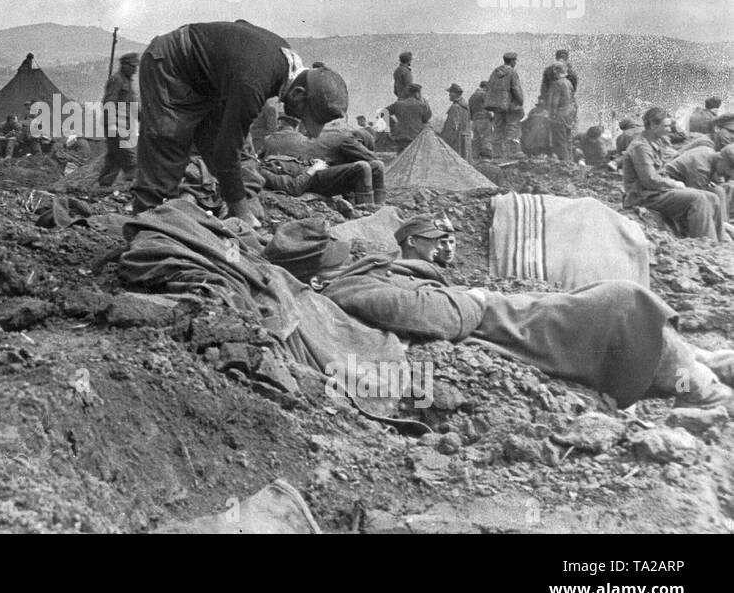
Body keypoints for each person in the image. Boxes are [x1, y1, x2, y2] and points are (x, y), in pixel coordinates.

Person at [303, 215, 734, 412]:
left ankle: (710, 376)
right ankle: (710, 380)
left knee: (698, 378)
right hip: (548, 317)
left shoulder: (362, 280)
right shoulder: (359, 284)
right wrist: (470, 297)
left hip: (554, 317)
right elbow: (431, 312)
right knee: (657, 333)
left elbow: (433, 310)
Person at [132, 20, 335, 228]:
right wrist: (242, 212)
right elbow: (225, 153)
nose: (304, 126)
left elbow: (241, 26)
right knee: (168, 144)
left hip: (207, 82)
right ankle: (145, 224)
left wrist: (244, 198)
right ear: (297, 94)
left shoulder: (283, 60)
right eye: (305, 116)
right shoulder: (254, 84)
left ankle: (233, 208)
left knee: (223, 143)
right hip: (172, 64)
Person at [624, 107, 724, 241]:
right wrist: (673, 183)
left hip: (657, 190)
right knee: (697, 199)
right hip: (644, 195)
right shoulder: (641, 147)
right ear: (653, 125)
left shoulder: (657, 141)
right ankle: (706, 244)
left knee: (713, 198)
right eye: (665, 125)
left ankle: (721, 242)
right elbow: (649, 180)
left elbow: (662, 168)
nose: (669, 129)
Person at [259, 116, 386, 206]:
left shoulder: (270, 156)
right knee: (363, 167)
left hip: (318, 171)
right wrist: (312, 169)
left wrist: (312, 164)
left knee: (376, 166)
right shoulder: (263, 171)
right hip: (314, 178)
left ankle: (380, 208)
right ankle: (368, 212)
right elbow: (294, 187)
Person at [98, 52, 139, 187]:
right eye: (132, 66)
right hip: (115, 125)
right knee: (126, 154)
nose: (135, 69)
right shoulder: (117, 80)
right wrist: (111, 124)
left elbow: (130, 104)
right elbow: (109, 101)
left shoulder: (126, 81)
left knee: (114, 157)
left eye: (135, 66)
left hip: (123, 123)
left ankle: (104, 185)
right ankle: (134, 182)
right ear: (124, 65)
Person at [483, 52, 524, 159]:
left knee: (498, 128)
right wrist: (520, 101)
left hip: (497, 106)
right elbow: (515, 88)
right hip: (509, 105)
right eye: (514, 60)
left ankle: (497, 153)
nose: (515, 62)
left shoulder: (495, 72)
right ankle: (513, 152)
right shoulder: (512, 72)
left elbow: (489, 88)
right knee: (513, 127)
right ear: (511, 61)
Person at [544, 62, 577, 161]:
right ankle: (570, 161)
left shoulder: (557, 84)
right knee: (568, 139)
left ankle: (564, 162)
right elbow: (573, 100)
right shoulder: (569, 83)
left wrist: (550, 115)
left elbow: (554, 102)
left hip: (560, 115)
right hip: (569, 115)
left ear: (557, 71)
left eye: (555, 71)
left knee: (560, 140)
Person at [386, 83, 432, 152]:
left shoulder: (398, 104)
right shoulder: (421, 105)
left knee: (400, 159)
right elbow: (426, 119)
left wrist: (393, 125)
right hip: (415, 138)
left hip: (400, 139)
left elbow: (382, 113)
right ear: (417, 93)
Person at [440, 83, 471, 159]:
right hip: (466, 141)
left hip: (457, 142)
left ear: (455, 94)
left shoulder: (455, 107)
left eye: (450, 93)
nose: (449, 95)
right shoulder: (466, 107)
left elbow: (452, 128)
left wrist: (444, 142)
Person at [468, 80, 491, 159]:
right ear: (486, 87)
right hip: (484, 119)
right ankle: (487, 159)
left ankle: (475, 158)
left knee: (476, 140)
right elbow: (490, 106)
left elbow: (469, 111)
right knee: (486, 139)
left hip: (475, 121)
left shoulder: (472, 96)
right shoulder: (484, 94)